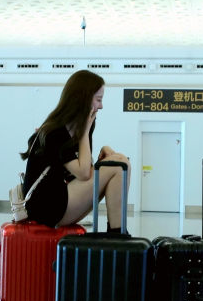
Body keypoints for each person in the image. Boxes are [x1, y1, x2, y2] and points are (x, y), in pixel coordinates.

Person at [20, 70, 130, 232]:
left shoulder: (77, 128)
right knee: (119, 164)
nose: (101, 106)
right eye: (98, 100)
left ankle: (117, 232)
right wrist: (85, 133)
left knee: (120, 162)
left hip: (59, 200)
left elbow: (85, 171)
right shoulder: (55, 132)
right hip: (46, 207)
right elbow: (84, 174)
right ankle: (117, 234)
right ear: (84, 100)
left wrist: (103, 149)